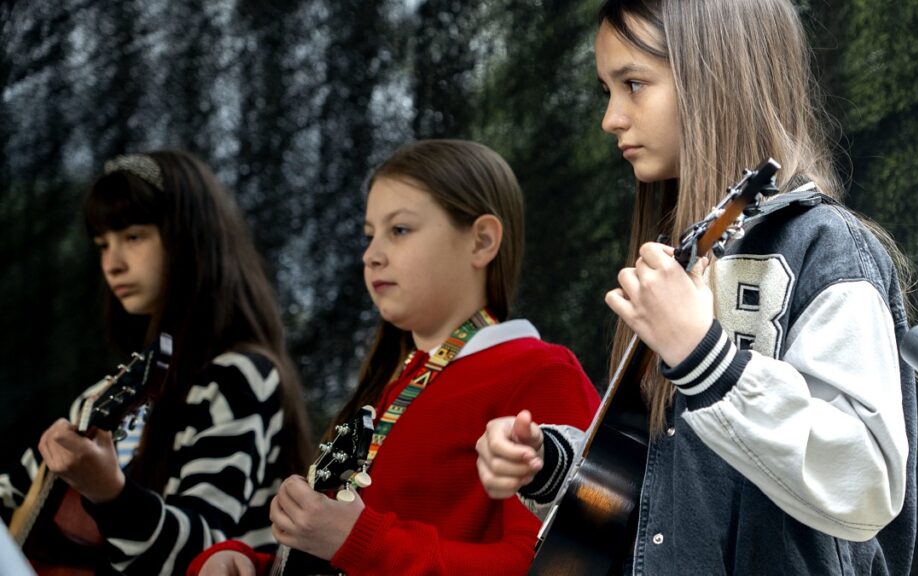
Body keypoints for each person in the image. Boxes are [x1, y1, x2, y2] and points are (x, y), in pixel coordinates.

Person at [475, 0, 918, 574]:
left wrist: (704, 357)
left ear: (716, 77)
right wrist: (552, 464)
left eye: (634, 84)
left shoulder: (825, 246)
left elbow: (867, 482)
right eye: (607, 90)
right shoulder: (681, 257)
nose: (611, 118)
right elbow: (667, 495)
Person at [188, 139, 601, 576]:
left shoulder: (540, 372)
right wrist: (246, 563)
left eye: (399, 230)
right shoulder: (392, 383)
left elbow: (549, 567)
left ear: (481, 241)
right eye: (369, 236)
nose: (371, 255)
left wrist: (358, 539)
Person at [0, 150, 314, 575]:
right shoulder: (98, 400)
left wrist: (111, 494)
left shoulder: (239, 377)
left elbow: (207, 554)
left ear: (189, 238)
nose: (112, 264)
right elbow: (10, 498)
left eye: (133, 237)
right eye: (102, 245)